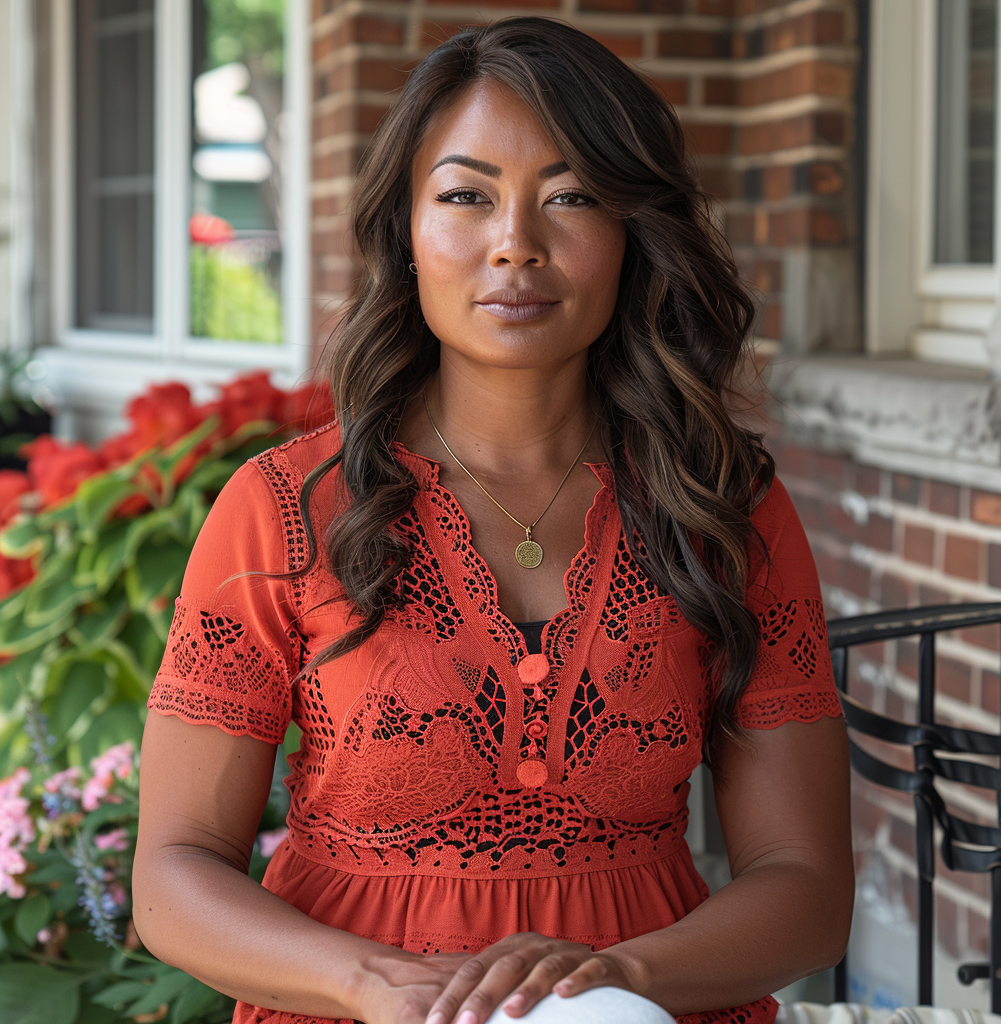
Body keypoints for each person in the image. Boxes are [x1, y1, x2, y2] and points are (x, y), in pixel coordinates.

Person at [133, 17, 854, 1024]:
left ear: (632, 233)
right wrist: (373, 982)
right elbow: (171, 872)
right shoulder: (283, 510)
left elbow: (808, 888)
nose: (515, 242)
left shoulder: (720, 505)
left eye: (571, 198)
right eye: (466, 195)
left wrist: (614, 981)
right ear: (407, 231)